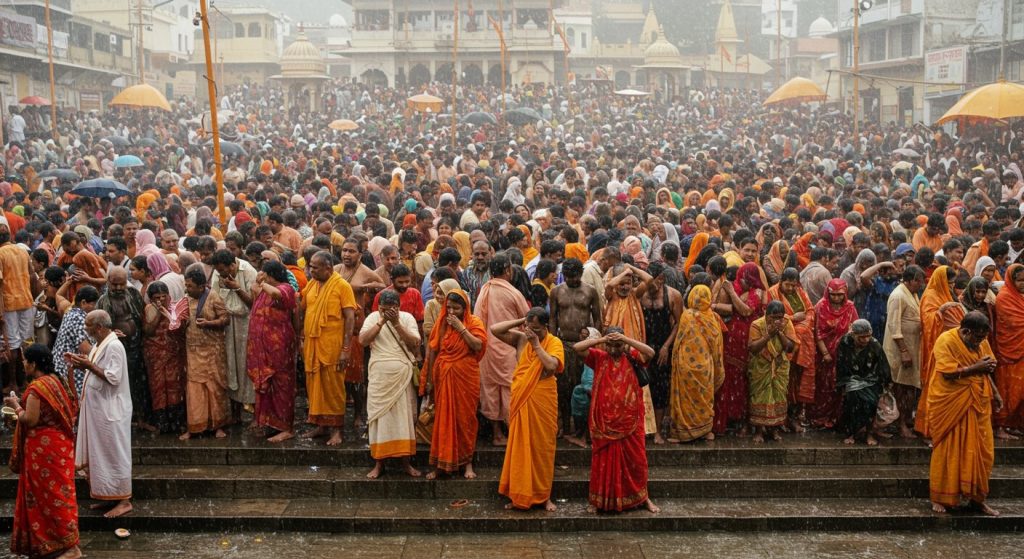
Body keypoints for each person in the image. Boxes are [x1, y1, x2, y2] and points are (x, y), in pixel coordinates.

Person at [5, 344, 82, 559]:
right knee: (60, 496)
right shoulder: (56, 381)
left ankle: (70, 548)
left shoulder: (37, 388)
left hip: (44, 451)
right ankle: (58, 545)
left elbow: (30, 419)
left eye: (25, 361)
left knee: (48, 498)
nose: (23, 364)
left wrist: (15, 405)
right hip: (59, 446)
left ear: (33, 364)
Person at [574, 327, 660, 514]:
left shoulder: (633, 356)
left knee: (637, 461)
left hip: (631, 422)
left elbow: (651, 353)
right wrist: (602, 340)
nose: (613, 349)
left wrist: (626, 340)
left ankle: (643, 498)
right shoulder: (599, 357)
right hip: (604, 423)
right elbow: (577, 348)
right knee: (601, 463)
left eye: (618, 345)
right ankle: (597, 500)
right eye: (610, 346)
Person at [927, 311, 1001, 516]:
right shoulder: (946, 341)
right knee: (949, 450)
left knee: (983, 452)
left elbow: (986, 368)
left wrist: (995, 392)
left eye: (983, 337)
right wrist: (977, 367)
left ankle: (977, 499)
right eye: (977, 337)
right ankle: (941, 497)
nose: (981, 342)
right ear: (966, 331)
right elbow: (947, 373)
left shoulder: (981, 341)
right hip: (951, 401)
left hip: (978, 401)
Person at [492, 308, 565, 511]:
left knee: (542, 449)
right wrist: (521, 321)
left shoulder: (554, 342)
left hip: (543, 398)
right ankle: (518, 494)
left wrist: (536, 344)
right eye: (529, 328)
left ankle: (544, 496)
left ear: (546, 326)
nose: (533, 332)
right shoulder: (521, 338)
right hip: (522, 398)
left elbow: (552, 365)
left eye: (537, 329)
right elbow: (495, 329)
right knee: (520, 447)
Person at [68, 310, 133, 519]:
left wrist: (88, 364)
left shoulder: (114, 346)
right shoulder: (98, 344)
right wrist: (82, 363)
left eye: (88, 325)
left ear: (98, 327)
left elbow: (113, 377)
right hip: (99, 411)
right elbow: (96, 371)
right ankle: (109, 496)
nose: (84, 328)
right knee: (102, 455)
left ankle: (124, 501)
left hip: (111, 411)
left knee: (115, 454)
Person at [424, 288, 487, 480]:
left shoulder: (474, 322)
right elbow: (433, 350)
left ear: (465, 308)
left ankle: (467, 463)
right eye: (449, 307)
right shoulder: (442, 323)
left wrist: (461, 328)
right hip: (444, 376)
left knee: (465, 420)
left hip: (466, 377)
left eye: (456, 308)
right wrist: (430, 380)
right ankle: (440, 465)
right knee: (443, 420)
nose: (451, 312)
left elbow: (477, 345)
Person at [360, 289, 422, 479]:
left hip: (402, 376)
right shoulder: (372, 318)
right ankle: (379, 463)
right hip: (379, 377)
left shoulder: (407, 318)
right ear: (379, 307)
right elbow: (363, 341)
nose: (387, 312)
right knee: (380, 420)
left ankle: (406, 463)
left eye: (391, 309)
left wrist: (396, 324)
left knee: (404, 420)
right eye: (383, 309)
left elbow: (415, 343)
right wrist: (381, 321)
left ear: (398, 306)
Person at [301, 251, 357, 446]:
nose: (311, 270)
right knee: (314, 385)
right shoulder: (312, 284)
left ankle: (337, 429)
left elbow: (350, 317)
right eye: (310, 267)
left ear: (328, 268)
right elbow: (303, 308)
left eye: (315, 268)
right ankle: (321, 425)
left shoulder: (342, 286)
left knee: (333, 388)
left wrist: (346, 349)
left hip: (333, 346)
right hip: (312, 345)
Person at [474, 254, 531, 446]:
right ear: (508, 270)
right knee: (511, 389)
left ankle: (497, 434)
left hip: (487, 350)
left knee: (490, 390)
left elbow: (477, 321)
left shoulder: (484, 290)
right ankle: (514, 432)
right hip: (509, 348)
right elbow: (527, 319)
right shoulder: (513, 293)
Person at [176, 266, 230, 440]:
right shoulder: (185, 299)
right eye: (186, 285)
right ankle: (195, 426)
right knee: (194, 389)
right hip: (193, 350)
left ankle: (218, 426)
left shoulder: (213, 297)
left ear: (201, 287)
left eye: (190, 286)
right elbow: (179, 322)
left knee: (215, 388)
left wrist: (209, 323)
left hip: (213, 350)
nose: (187, 289)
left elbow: (225, 319)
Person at [549, 257, 602, 437]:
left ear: (581, 274)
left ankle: (583, 427)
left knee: (583, 386)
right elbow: (553, 319)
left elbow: (598, 320)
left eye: (575, 276)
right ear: (564, 275)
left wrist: (593, 338)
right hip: (563, 344)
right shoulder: (556, 291)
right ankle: (565, 425)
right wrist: (552, 342)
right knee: (563, 387)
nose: (572, 280)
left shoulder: (590, 291)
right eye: (568, 277)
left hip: (584, 346)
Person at [97, 267, 154, 432]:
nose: (118, 288)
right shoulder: (103, 301)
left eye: (121, 284)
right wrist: (110, 334)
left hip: (136, 346)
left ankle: (142, 419)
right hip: (116, 349)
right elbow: (99, 328)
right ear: (108, 282)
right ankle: (123, 420)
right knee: (120, 385)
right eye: (114, 284)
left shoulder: (133, 294)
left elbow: (143, 315)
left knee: (139, 384)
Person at [247, 260, 298, 443]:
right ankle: (269, 423)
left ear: (271, 275)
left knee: (282, 386)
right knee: (265, 386)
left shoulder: (286, 288)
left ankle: (286, 428)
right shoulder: (263, 290)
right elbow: (253, 291)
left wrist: (262, 282)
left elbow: (277, 294)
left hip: (279, 348)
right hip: (262, 349)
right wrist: (259, 283)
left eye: (265, 273)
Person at [667, 285, 725, 442]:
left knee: (685, 399)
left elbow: (679, 340)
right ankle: (705, 431)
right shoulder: (712, 317)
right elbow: (717, 345)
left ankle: (683, 432)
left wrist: (674, 358)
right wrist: (717, 363)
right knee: (703, 398)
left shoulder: (687, 316)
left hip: (685, 364)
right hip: (705, 365)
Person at [716, 261, 766, 434]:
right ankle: (728, 417)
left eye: (750, 280)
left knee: (744, 379)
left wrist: (731, 293)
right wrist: (719, 303)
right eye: (745, 279)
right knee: (729, 377)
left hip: (748, 340)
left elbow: (745, 311)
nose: (747, 283)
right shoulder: (734, 286)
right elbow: (728, 307)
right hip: (731, 339)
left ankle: (743, 419)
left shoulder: (758, 291)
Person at [915, 266, 965, 437]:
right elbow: (927, 322)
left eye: (953, 283)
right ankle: (930, 428)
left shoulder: (946, 294)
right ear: (942, 281)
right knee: (935, 387)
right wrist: (941, 310)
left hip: (952, 348)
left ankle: (947, 426)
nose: (952, 286)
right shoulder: (930, 296)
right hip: (937, 348)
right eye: (949, 283)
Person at [210, 249, 258, 423]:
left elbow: (254, 303)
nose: (221, 274)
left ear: (232, 265)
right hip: (227, 325)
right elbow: (215, 298)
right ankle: (235, 415)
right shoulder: (218, 272)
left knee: (248, 367)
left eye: (223, 270)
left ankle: (256, 414)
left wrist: (236, 288)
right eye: (218, 271)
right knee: (230, 367)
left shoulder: (249, 271)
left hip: (247, 325)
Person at [767, 268, 816, 432]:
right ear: (781, 282)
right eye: (787, 285)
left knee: (796, 381)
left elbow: (810, 312)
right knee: (780, 381)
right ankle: (777, 420)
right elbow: (769, 315)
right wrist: (793, 319)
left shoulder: (801, 292)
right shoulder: (772, 293)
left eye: (793, 285)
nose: (790, 288)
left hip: (801, 345)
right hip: (780, 342)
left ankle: (792, 417)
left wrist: (801, 327)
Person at [809, 279, 859, 429]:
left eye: (840, 295)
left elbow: (855, 329)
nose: (836, 298)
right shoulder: (821, 306)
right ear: (828, 293)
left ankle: (837, 418)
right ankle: (820, 417)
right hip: (825, 355)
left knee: (840, 386)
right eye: (833, 295)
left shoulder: (850, 307)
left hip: (844, 354)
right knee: (824, 386)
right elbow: (817, 332)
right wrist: (825, 353)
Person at [883, 265, 926, 439]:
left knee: (909, 388)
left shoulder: (912, 294)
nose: (921, 284)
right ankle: (901, 425)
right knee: (901, 388)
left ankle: (906, 420)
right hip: (900, 350)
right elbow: (894, 325)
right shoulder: (898, 295)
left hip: (912, 347)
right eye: (918, 281)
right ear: (909, 280)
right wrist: (904, 351)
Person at [747, 301, 797, 443]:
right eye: (773, 317)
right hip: (761, 366)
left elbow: (790, 348)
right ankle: (759, 431)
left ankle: (775, 430)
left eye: (780, 317)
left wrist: (779, 332)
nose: (777, 321)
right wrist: (768, 335)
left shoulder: (786, 323)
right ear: (766, 314)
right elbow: (753, 348)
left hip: (780, 366)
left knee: (779, 396)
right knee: (759, 396)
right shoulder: (757, 325)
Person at [836, 319, 892, 446]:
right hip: (852, 378)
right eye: (862, 337)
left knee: (871, 403)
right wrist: (842, 384)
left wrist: (887, 383)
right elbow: (840, 364)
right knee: (851, 401)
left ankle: (869, 433)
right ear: (853, 334)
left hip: (871, 379)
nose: (866, 340)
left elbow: (883, 365)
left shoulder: (874, 344)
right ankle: (851, 433)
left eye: (868, 336)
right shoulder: (845, 342)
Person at [141, 281, 187, 434]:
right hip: (156, 355)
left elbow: (181, 330)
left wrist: (169, 315)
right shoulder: (149, 309)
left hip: (174, 354)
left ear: (169, 296)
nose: (161, 300)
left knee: (175, 386)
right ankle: (162, 423)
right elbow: (148, 331)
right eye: (157, 297)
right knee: (158, 387)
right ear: (151, 299)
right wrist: (159, 313)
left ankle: (176, 422)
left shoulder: (175, 308)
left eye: (164, 296)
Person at [994, 264, 1024, 440]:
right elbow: (1013, 322)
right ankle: (1001, 425)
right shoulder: (1004, 297)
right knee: (1006, 392)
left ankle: (1013, 424)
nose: (1022, 284)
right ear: (1011, 280)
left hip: (1021, 351)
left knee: (1020, 393)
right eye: (1019, 280)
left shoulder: (1020, 297)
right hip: (1008, 353)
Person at [53, 286, 98, 395]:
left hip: (62, 367)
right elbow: (85, 349)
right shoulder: (79, 319)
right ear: (83, 303)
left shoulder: (70, 312)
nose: (96, 308)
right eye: (94, 304)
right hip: (71, 371)